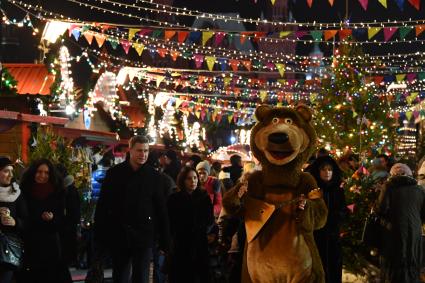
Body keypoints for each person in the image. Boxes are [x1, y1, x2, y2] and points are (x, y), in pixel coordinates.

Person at [93, 135, 170, 283]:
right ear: (130, 151)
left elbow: (161, 209)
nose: (143, 154)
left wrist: (165, 240)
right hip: (120, 233)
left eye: (146, 151)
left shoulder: (154, 176)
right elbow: (103, 206)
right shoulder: (114, 173)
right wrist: (100, 235)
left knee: (141, 276)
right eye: (139, 150)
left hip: (144, 234)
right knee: (120, 276)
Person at [20, 158, 72, 283]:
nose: (42, 175)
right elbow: (22, 216)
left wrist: (53, 219)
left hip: (51, 245)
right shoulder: (24, 192)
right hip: (31, 244)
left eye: (46, 173)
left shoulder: (58, 192)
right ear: (33, 172)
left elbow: (64, 220)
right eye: (39, 172)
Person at [377, 163, 425, 283]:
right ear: (410, 175)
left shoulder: (388, 187)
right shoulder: (419, 190)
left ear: (392, 175)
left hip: (394, 233)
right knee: (412, 265)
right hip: (415, 233)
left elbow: (381, 209)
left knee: (395, 267)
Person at [167, 166, 214, 283]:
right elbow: (170, 221)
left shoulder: (204, 197)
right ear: (183, 180)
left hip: (199, 243)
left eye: (195, 178)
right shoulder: (174, 198)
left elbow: (209, 219)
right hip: (181, 243)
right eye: (189, 178)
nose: (193, 181)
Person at [307, 156, 347, 283]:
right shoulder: (313, 190)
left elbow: (343, 210)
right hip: (316, 235)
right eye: (323, 169)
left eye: (330, 170)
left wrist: (337, 218)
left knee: (334, 265)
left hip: (333, 235)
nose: (327, 172)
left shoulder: (338, 190)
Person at [0, 157, 27, 283]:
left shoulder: (16, 193)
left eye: (11, 171)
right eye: (6, 171)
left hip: (8, 248)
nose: (10, 175)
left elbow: (26, 220)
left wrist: (15, 222)